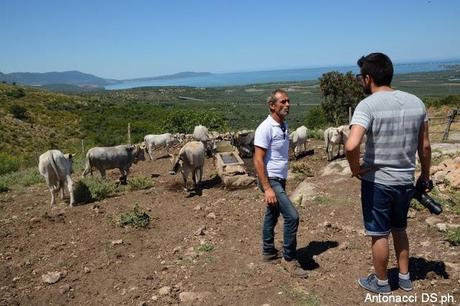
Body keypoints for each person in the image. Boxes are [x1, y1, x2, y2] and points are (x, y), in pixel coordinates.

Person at [345, 53, 431, 294]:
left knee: (379, 233)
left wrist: (355, 169)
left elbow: (351, 145)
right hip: (405, 180)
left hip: (378, 182)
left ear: (368, 78)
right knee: (400, 228)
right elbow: (424, 146)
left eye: (360, 77)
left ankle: (381, 283)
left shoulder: (367, 105)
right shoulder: (416, 102)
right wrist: (424, 175)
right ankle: (404, 278)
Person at [253, 89, 308, 278]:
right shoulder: (265, 128)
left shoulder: (283, 125)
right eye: (283, 101)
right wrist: (267, 187)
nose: (287, 104)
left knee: (273, 214)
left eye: (288, 101)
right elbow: (258, 160)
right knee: (292, 216)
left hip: (280, 178)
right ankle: (289, 259)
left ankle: (268, 252)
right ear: (272, 105)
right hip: (271, 180)